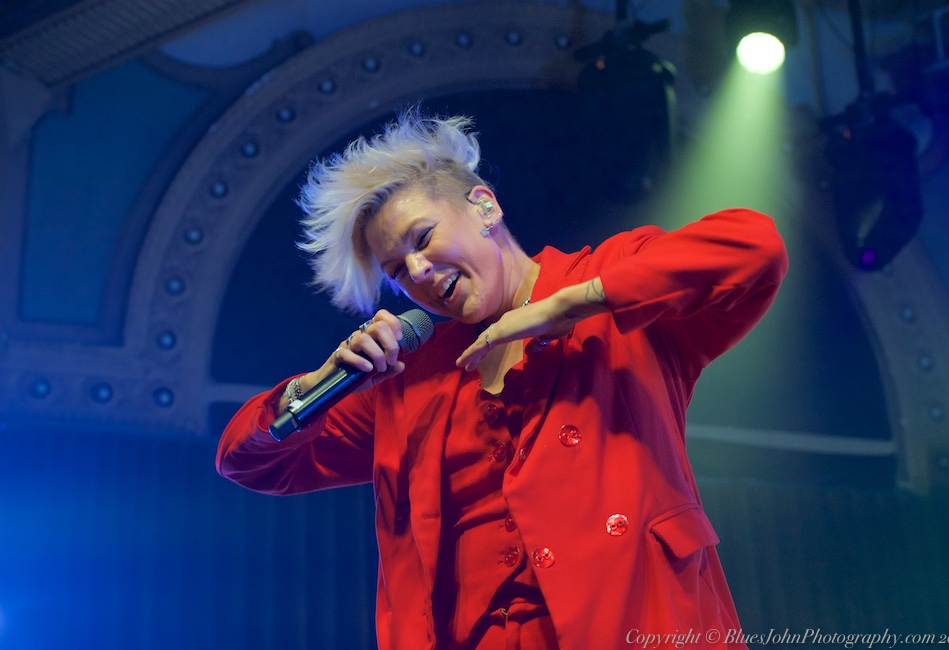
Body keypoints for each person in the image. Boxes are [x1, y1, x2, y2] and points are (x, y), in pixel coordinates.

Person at [216, 108, 788, 649]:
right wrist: (315, 384)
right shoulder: (407, 378)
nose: (416, 272)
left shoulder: (609, 287)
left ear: (484, 207)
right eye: (396, 270)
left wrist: (574, 303)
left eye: (422, 239)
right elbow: (250, 460)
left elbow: (754, 247)